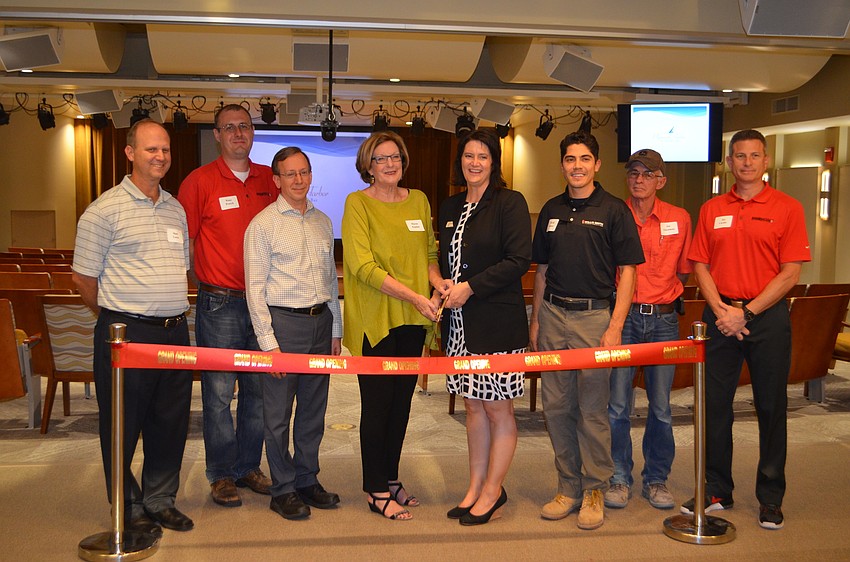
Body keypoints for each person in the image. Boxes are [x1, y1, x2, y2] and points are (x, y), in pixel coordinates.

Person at [72, 119, 194, 536]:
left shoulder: (176, 208)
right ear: (129, 153)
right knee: (123, 424)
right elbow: (84, 281)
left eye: (165, 150)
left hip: (175, 332)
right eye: (150, 150)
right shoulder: (103, 210)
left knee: (170, 422)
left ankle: (160, 500)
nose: (160, 156)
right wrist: (116, 319)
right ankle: (127, 504)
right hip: (127, 336)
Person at [684, 129, 811, 530]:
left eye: (754, 156)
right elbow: (699, 264)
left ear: (766, 160)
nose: (747, 162)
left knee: (771, 407)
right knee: (714, 407)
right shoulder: (711, 208)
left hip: (766, 317)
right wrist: (722, 308)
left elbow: (791, 273)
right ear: (729, 161)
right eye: (739, 156)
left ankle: (771, 497)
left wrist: (748, 313)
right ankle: (718, 488)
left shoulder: (787, 207)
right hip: (720, 316)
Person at [529, 130, 644, 530]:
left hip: (596, 319)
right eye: (569, 159)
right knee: (557, 408)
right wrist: (536, 320)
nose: (576, 166)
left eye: (584, 159)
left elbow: (627, 271)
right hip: (553, 317)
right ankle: (568, 487)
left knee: (592, 411)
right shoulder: (550, 209)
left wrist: (615, 327)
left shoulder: (614, 210)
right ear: (562, 165)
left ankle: (596, 488)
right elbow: (541, 271)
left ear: (596, 164)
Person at [341, 130, 444, 521]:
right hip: (377, 320)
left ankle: (391, 476)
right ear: (368, 165)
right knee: (378, 405)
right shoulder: (357, 204)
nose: (390, 164)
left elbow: (429, 251)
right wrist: (416, 297)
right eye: (381, 158)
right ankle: (375, 488)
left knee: (402, 405)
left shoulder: (417, 199)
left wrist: (436, 284)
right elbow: (362, 267)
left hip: (413, 321)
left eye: (395, 157)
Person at [177, 104, 276, 508]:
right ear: (216, 135)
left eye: (245, 126)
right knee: (218, 394)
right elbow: (184, 241)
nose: (238, 133)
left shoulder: (270, 179)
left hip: (263, 305)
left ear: (252, 133)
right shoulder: (199, 182)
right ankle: (220, 473)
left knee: (257, 392)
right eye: (229, 128)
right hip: (218, 302)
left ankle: (248, 467)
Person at [437, 129, 531, 526]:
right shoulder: (451, 205)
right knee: (473, 408)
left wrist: (469, 288)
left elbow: (518, 260)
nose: (474, 162)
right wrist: (443, 284)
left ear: (494, 163)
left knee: (497, 409)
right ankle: (476, 486)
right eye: (468, 156)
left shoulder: (509, 202)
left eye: (483, 156)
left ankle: (494, 491)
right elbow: (446, 259)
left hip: (497, 324)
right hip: (459, 329)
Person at [244, 147, 343, 521]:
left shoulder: (323, 221)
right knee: (278, 415)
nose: (299, 180)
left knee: (313, 413)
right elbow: (254, 290)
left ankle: (306, 479)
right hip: (282, 326)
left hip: (320, 324)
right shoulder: (262, 225)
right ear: (276, 180)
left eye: (304, 172)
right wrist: (269, 344)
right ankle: (282, 488)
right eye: (290, 174)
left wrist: (335, 327)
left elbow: (330, 281)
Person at [605, 149, 692, 511]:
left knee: (660, 407)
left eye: (647, 173)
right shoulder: (614, 214)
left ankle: (656, 480)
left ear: (661, 180)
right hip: (622, 321)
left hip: (663, 322)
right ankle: (619, 477)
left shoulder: (680, 218)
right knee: (617, 406)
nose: (638, 179)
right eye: (633, 173)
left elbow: (684, 271)